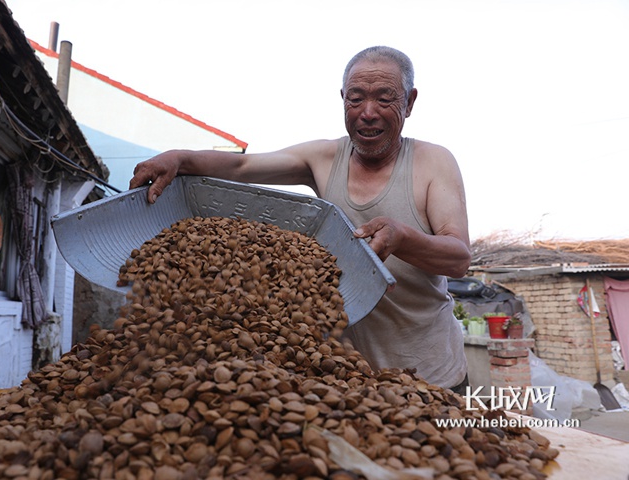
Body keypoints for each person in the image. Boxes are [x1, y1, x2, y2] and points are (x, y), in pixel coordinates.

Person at [130, 46, 471, 392]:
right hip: (349, 377)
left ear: (409, 103)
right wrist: (179, 159)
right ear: (342, 100)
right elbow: (243, 167)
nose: (368, 112)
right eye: (356, 99)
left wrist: (403, 238)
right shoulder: (324, 158)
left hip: (432, 373)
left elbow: (458, 257)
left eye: (384, 99)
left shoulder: (434, 163)